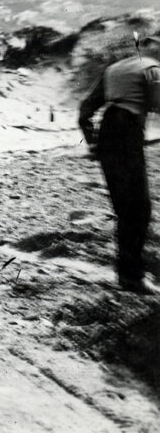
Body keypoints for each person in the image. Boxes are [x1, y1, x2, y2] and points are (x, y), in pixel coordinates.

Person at [79, 33, 160, 295]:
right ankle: (131, 277)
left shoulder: (114, 69)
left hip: (107, 133)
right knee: (139, 208)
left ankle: (128, 273)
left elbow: (85, 110)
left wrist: (93, 144)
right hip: (127, 131)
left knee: (126, 208)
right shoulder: (152, 69)